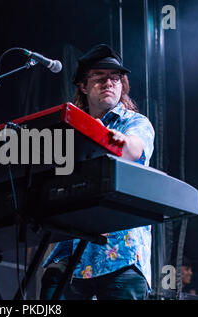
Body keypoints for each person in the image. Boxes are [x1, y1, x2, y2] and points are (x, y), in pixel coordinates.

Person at [40, 44, 155, 300]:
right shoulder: (69, 127)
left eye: (115, 78)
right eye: (99, 78)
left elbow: (134, 148)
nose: (109, 83)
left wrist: (111, 140)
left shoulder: (134, 122)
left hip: (119, 256)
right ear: (83, 86)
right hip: (69, 254)